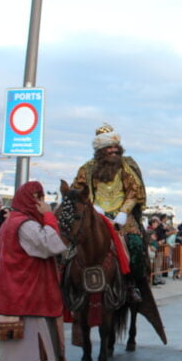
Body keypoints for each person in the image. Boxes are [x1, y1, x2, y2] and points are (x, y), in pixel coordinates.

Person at [0, 181, 67, 361]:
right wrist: (50, 217)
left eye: (41, 197)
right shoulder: (25, 224)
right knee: (27, 350)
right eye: (36, 197)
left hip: (14, 294)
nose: (40, 202)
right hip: (26, 296)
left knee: (15, 349)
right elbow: (52, 244)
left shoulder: (10, 221)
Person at [72, 123, 147, 303]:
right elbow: (77, 192)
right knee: (73, 243)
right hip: (95, 214)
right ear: (101, 150)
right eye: (109, 147)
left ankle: (132, 285)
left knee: (136, 244)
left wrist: (123, 212)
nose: (114, 150)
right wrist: (92, 207)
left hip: (123, 214)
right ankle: (69, 282)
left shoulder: (126, 166)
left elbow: (134, 191)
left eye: (116, 147)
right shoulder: (86, 168)